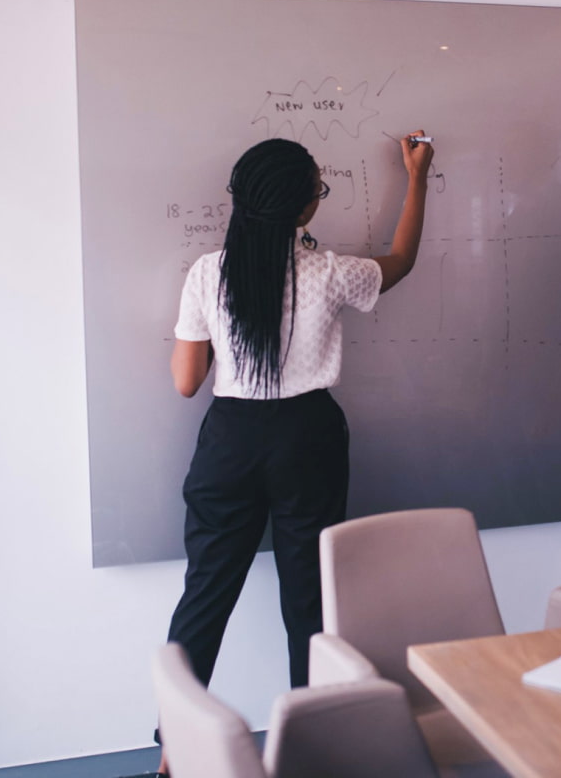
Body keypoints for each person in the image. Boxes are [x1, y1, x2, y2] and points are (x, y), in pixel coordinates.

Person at [155, 132, 433, 772]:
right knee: (309, 596)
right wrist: (416, 178)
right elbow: (402, 259)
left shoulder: (206, 272)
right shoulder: (330, 273)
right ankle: (311, 746)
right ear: (304, 208)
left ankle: (176, 747)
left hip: (230, 440)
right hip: (307, 438)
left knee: (206, 592)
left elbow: (185, 381)